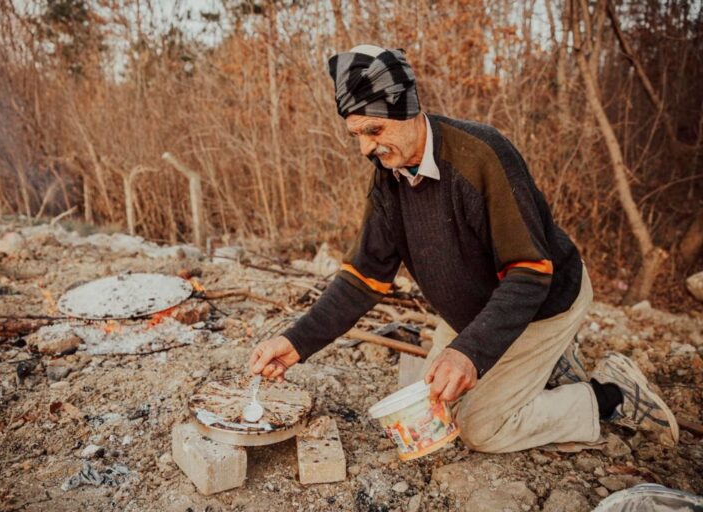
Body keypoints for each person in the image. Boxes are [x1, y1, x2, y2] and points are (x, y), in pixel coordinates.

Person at [248, 44, 678, 452]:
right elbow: (365, 277)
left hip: (544, 303)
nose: (365, 148)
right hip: (475, 313)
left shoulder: (482, 157)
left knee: (480, 428)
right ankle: (546, 368)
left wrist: (469, 352)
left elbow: (529, 273)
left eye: (373, 130)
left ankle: (610, 395)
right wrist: (296, 342)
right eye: (356, 134)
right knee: (432, 411)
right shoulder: (388, 177)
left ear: (408, 109)